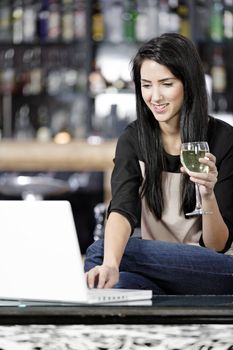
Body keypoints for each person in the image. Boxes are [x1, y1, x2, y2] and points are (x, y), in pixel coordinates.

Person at [84, 33, 233, 295]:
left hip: (217, 270)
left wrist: (207, 195)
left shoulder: (223, 139)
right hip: (161, 273)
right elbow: (122, 207)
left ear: (188, 84)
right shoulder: (134, 139)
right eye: (146, 85)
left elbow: (218, 245)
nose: (155, 96)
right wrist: (110, 265)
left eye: (166, 84)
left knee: (98, 250)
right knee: (112, 281)